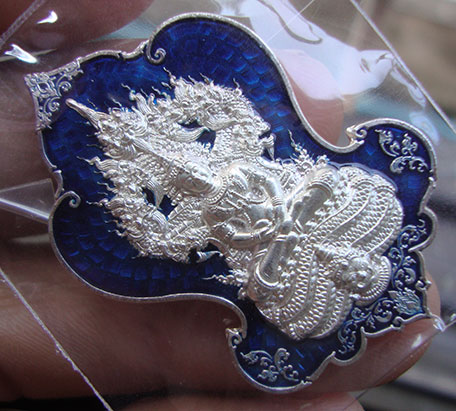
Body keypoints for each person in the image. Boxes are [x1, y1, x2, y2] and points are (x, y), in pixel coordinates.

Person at [0, 1, 440, 410]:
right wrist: (274, 212)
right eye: (361, 269)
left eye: (353, 277)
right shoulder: (365, 210)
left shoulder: (311, 302)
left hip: (243, 220)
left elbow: (264, 276)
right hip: (243, 195)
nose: (350, 269)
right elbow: (318, 185)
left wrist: (270, 233)